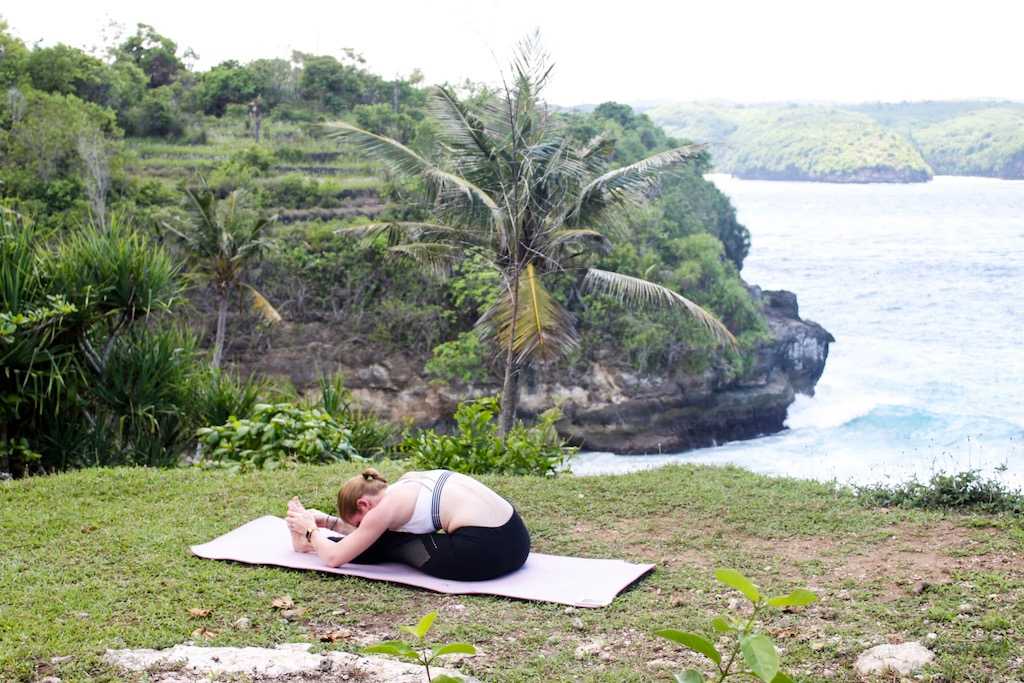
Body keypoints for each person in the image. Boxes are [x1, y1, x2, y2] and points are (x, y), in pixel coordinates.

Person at [285, 468, 530, 581]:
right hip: (516, 540)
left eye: (359, 522)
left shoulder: (382, 511)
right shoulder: (408, 480)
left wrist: (311, 531)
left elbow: (334, 559)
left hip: (485, 555)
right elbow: (373, 531)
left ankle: (306, 546)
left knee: (394, 545)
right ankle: (310, 542)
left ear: (363, 504)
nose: (363, 526)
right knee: (388, 539)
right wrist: (329, 523)